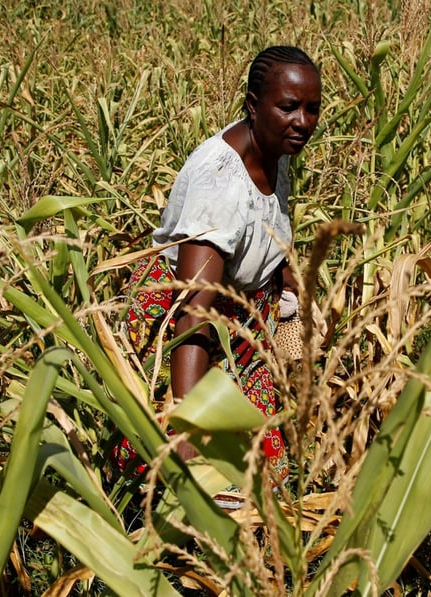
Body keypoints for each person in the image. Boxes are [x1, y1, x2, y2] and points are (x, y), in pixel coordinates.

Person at [113, 46, 321, 508]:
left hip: (240, 316)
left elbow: (267, 223)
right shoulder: (219, 185)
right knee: (185, 459)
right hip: (186, 323)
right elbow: (193, 309)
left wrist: (283, 278)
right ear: (253, 105)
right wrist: (190, 416)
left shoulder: (277, 146)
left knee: (263, 463)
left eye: (312, 109)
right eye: (288, 107)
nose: (303, 122)